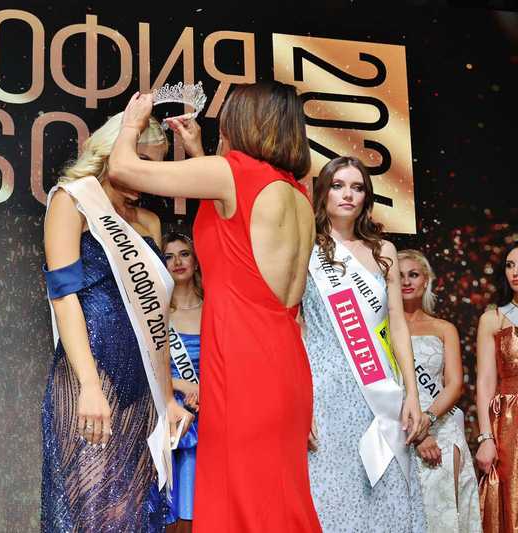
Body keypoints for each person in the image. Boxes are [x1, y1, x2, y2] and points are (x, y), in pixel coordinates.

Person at [109, 83, 321, 531]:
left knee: (242, 502)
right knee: (275, 500)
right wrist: (198, 152)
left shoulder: (231, 175)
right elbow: (238, 231)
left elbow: (124, 168)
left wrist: (131, 123)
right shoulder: (298, 194)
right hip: (285, 363)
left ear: (244, 121)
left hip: (243, 362)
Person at [42, 112, 191, 532]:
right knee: (89, 513)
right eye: (140, 159)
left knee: (132, 514)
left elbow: (157, 319)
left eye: (154, 165)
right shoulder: (72, 200)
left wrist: (168, 398)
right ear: (112, 151)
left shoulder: (150, 222)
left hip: (143, 388)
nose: (146, 174)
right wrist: (89, 385)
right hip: (92, 378)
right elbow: (64, 296)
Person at [302, 156, 428, 532]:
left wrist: (412, 394)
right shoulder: (305, 245)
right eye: (338, 185)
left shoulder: (383, 250)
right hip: (323, 388)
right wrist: (299, 398)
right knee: (330, 490)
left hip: (377, 386)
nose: (348, 195)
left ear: (366, 197)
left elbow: (397, 324)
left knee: (385, 488)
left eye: (357, 187)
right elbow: (295, 324)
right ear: (323, 192)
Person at [399, 249, 481, 533]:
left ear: (426, 280)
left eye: (413, 274)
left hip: (441, 427)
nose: (406, 281)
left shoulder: (444, 328)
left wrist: (427, 421)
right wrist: (418, 433)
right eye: (399, 276)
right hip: (397, 429)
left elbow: (455, 385)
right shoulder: (380, 329)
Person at [476, 243, 518, 532]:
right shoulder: (492, 318)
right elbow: (485, 382)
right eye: (510, 265)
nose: (515, 272)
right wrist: (485, 438)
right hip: (508, 426)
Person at [162, 232, 202, 533]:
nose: (177, 261)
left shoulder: (214, 307)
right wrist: (183, 386)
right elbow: (147, 367)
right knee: (169, 513)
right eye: (169, 256)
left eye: (184, 253)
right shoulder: (157, 311)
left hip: (208, 411)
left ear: (196, 260)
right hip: (169, 412)